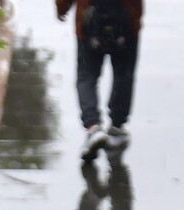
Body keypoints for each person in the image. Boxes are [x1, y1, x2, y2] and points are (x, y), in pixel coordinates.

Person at [56, 0, 144, 161]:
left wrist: (62, 8)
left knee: (87, 76)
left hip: (88, 17)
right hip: (127, 18)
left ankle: (93, 126)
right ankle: (117, 125)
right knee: (123, 74)